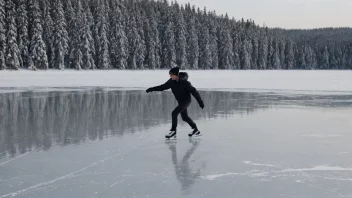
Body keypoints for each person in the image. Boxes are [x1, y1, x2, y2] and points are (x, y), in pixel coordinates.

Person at [146, 67, 204, 139]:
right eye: (169, 75)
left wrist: (200, 102)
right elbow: (162, 87)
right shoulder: (171, 82)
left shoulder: (185, 83)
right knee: (185, 117)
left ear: (176, 75)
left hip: (186, 101)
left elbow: (194, 92)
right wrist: (152, 89)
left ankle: (173, 131)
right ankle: (196, 130)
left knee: (174, 113)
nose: (170, 76)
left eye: (171, 75)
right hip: (180, 102)